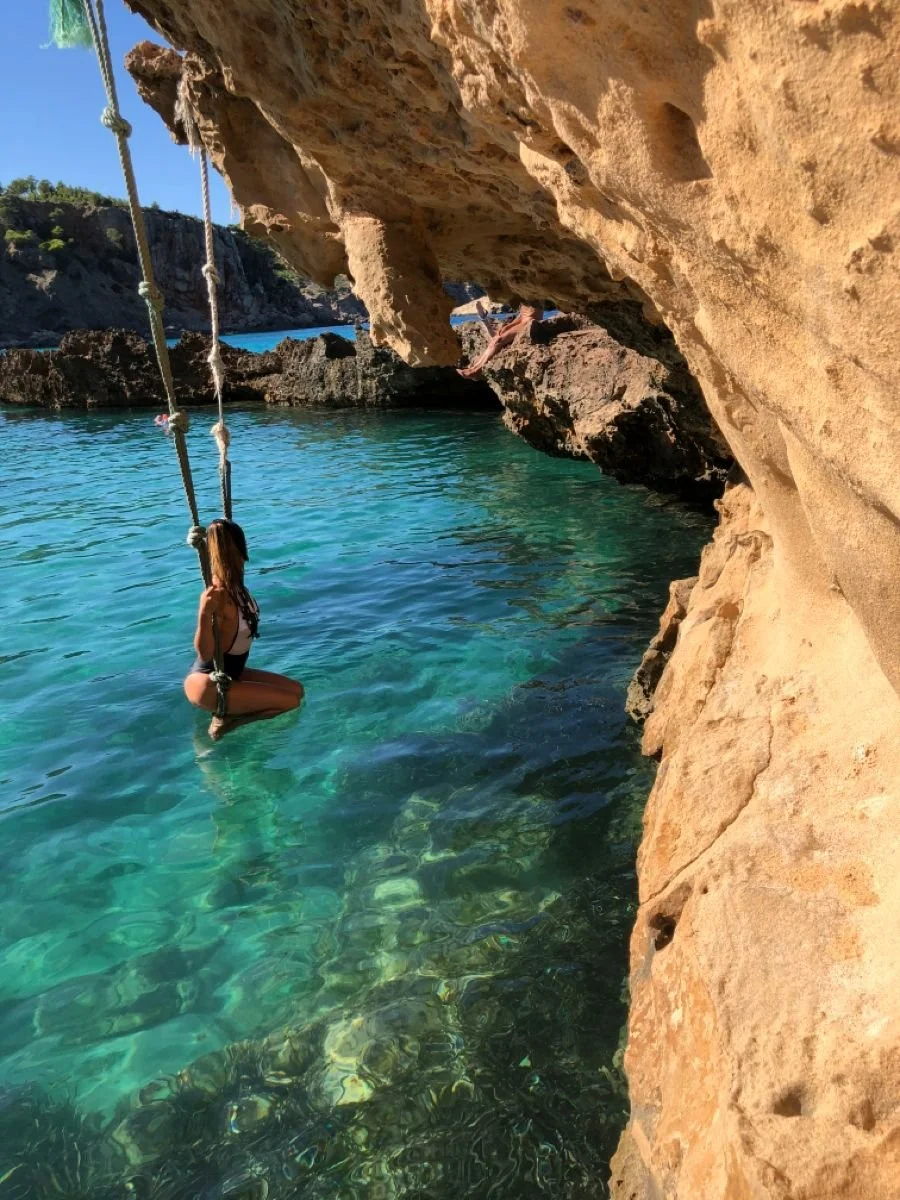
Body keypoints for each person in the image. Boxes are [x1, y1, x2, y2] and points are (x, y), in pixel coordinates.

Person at [184, 519, 303, 741]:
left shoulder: (236, 585)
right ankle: (229, 719)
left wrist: (207, 538)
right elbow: (205, 653)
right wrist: (203, 613)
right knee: (290, 702)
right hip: (208, 684)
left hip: (233, 675)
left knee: (297, 690)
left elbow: (218, 546)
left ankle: (234, 710)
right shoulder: (218, 595)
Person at [457, 304, 543, 379]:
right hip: (522, 320)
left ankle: (476, 370)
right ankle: (473, 368)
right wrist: (509, 326)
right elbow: (522, 315)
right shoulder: (524, 293)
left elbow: (531, 315)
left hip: (530, 322)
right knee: (495, 338)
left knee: (499, 340)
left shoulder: (534, 291)